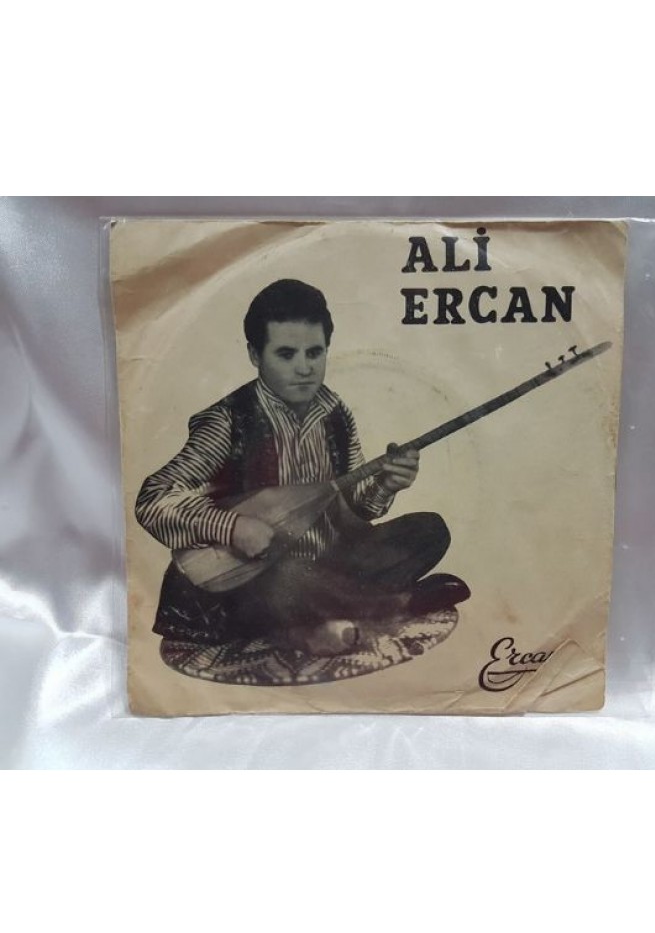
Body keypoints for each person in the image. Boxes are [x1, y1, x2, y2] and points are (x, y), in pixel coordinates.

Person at [136, 279, 469, 655]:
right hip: (251, 576)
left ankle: (314, 617)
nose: (304, 368)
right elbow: (154, 499)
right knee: (286, 579)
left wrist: (387, 485)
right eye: (286, 354)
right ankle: (390, 605)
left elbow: (356, 507)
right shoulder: (228, 421)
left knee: (430, 530)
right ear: (255, 355)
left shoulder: (334, 413)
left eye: (314, 353)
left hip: (327, 562)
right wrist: (232, 527)